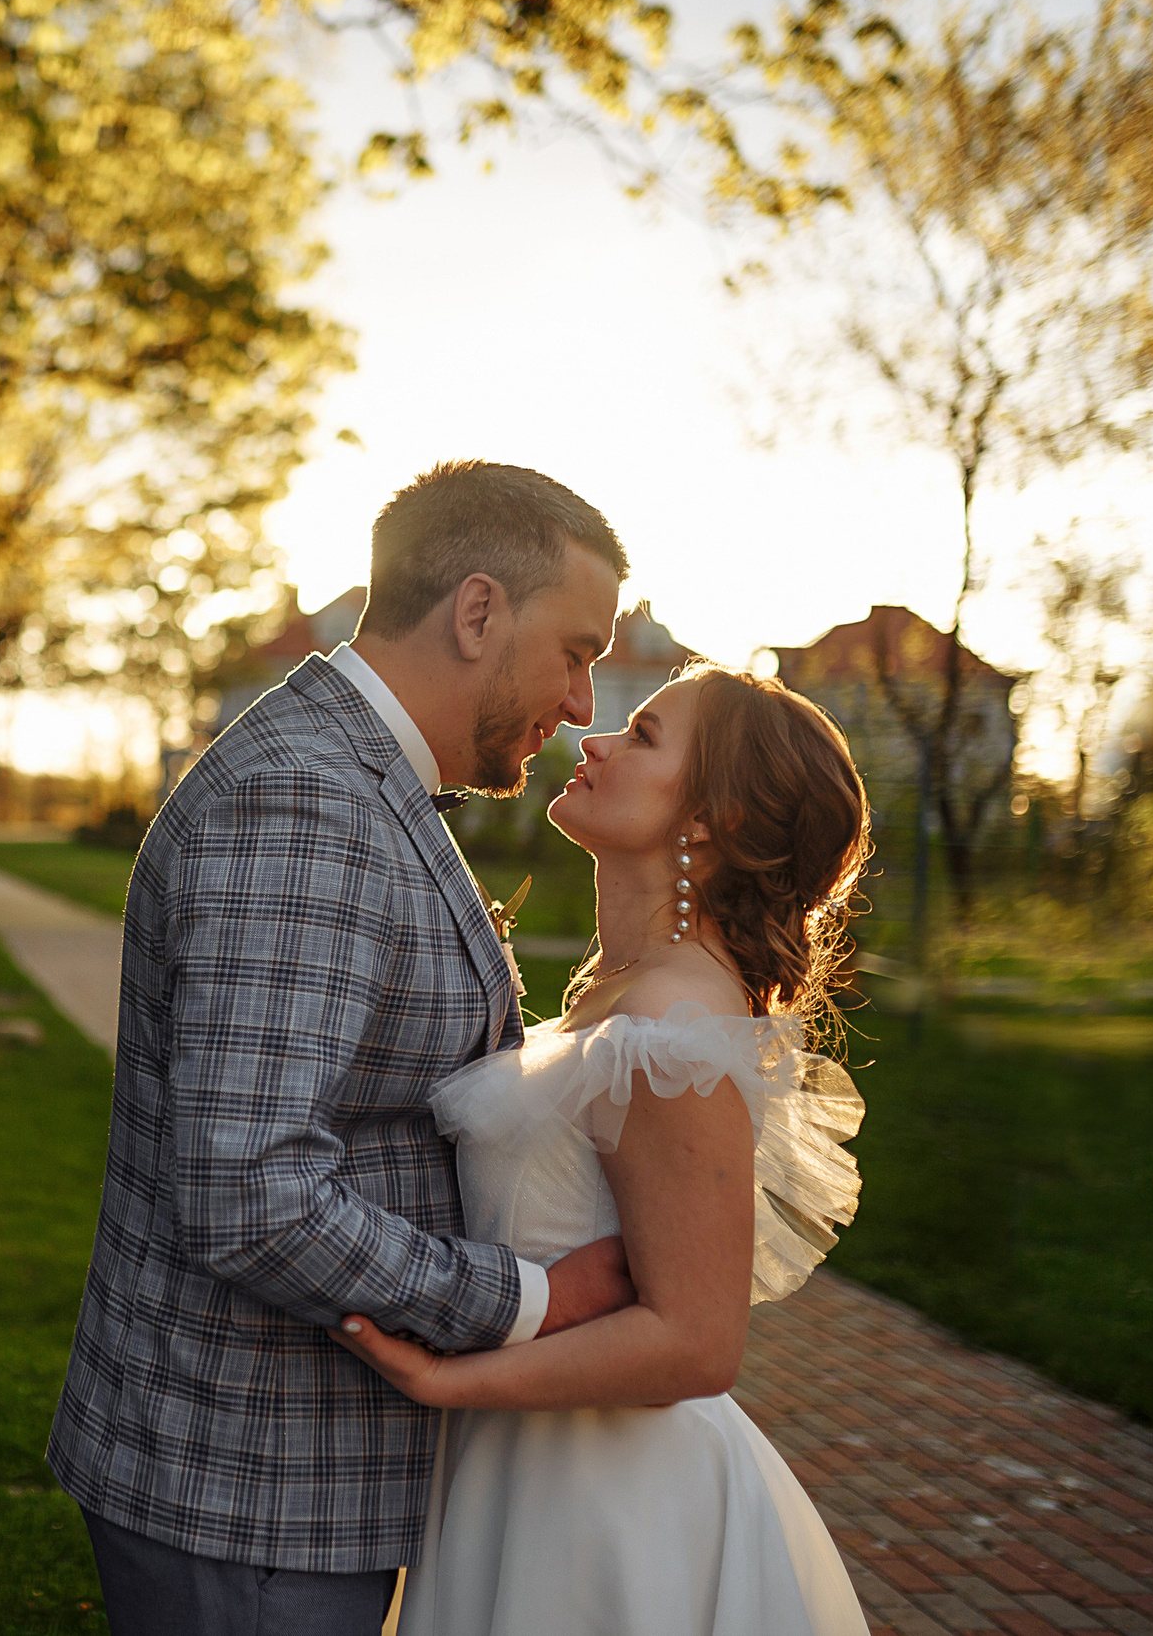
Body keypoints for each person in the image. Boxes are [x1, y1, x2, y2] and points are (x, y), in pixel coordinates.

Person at [47, 460, 643, 1634]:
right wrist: (524, 1300)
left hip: (277, 1483)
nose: (581, 702)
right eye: (574, 651)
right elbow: (249, 1192)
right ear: (477, 612)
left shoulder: (356, 777)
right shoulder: (305, 801)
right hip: (248, 1489)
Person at [332, 662, 873, 1636]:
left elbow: (697, 1342)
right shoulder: (628, 992)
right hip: (526, 1460)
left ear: (711, 819)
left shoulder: (674, 1026)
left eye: (645, 736)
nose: (595, 738)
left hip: (606, 1507)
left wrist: (446, 1381)